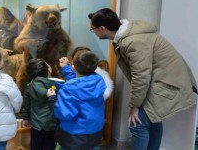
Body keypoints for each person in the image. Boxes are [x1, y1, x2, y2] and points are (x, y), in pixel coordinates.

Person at [88, 8, 197, 150]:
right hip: (161, 81)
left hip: (168, 84)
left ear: (102, 29)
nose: (94, 33)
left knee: (137, 123)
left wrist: (134, 106)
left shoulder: (134, 42)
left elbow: (141, 77)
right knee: (152, 118)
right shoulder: (127, 36)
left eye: (93, 30)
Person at [47, 50, 106, 150]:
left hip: (75, 137)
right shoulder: (98, 80)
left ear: (73, 66)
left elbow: (63, 114)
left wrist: (52, 98)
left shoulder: (69, 89)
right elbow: (81, 81)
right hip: (95, 133)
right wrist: (66, 67)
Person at [22, 58, 64, 150]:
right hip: (51, 125)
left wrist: (25, 118)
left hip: (36, 125)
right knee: (50, 146)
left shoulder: (29, 86)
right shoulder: (58, 85)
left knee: (36, 146)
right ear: (48, 70)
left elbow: (26, 105)